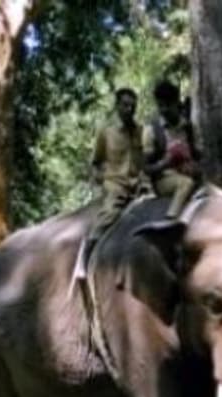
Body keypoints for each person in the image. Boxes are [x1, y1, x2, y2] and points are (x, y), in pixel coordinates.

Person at [75, 87, 150, 281]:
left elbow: (145, 161)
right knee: (109, 216)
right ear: (117, 106)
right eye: (125, 105)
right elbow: (95, 162)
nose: (129, 109)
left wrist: (144, 180)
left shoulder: (141, 132)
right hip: (115, 185)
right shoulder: (106, 133)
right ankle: (84, 257)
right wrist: (101, 180)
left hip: (139, 185)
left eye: (133, 106)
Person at [142, 80, 199, 219]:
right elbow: (146, 168)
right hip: (164, 180)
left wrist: (194, 167)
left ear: (176, 103)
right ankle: (172, 217)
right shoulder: (152, 130)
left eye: (168, 105)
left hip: (189, 175)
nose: (164, 110)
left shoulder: (188, 128)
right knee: (186, 184)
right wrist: (165, 163)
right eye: (161, 105)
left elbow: (197, 156)